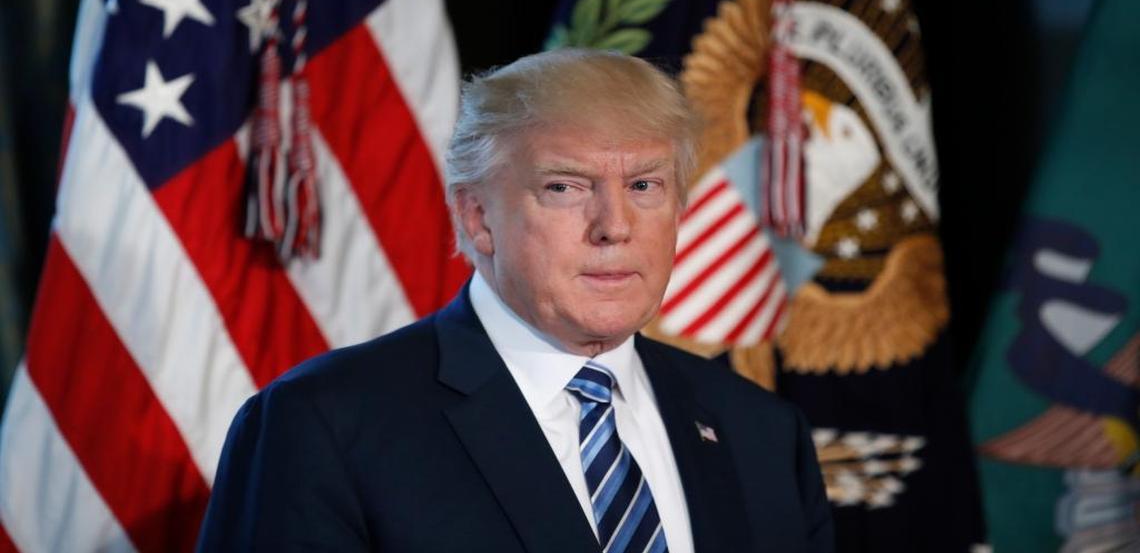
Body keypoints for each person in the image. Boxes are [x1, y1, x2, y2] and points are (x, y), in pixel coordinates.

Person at [196, 49, 834, 552]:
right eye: (565, 187)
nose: (614, 226)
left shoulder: (762, 434)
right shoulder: (322, 426)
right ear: (477, 217)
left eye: (644, 185)